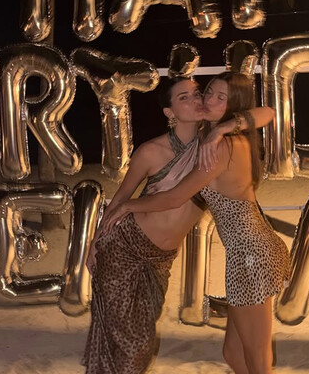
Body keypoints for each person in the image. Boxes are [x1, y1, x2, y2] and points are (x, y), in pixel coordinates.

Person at [100, 72, 290, 374]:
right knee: (233, 354)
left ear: (233, 106)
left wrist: (128, 205)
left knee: (257, 359)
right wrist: (220, 128)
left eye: (221, 98)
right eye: (208, 92)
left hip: (251, 255)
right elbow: (264, 113)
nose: (208, 100)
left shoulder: (223, 146)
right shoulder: (217, 138)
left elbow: (176, 197)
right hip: (247, 252)